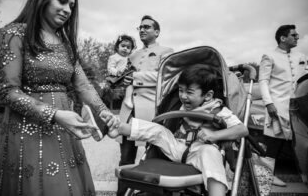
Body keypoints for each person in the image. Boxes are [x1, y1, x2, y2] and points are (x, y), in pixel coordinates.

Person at [0, 0, 118, 195]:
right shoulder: (15, 34)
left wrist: (104, 112)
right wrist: (55, 114)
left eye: (71, 5)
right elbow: (8, 91)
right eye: (61, 1)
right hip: (27, 128)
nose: (67, 10)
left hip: (65, 127)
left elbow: (83, 85)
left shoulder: (66, 44)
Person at [105, 65, 249, 196]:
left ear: (208, 95)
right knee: (159, 130)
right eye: (181, 90)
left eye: (189, 92)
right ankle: (120, 128)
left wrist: (215, 135)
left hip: (198, 152)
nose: (183, 96)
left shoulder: (218, 110)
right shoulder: (179, 106)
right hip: (176, 148)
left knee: (210, 152)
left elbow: (242, 129)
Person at [116, 15, 173, 195]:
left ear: (157, 32)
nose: (142, 30)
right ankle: (122, 193)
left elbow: (167, 78)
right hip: (128, 110)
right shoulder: (131, 55)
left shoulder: (167, 51)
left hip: (151, 109)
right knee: (125, 157)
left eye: (147, 27)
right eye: (140, 27)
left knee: (154, 156)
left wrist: (136, 77)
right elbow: (125, 78)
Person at [259, 24, 307, 187]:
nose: (297, 37)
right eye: (294, 35)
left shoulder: (301, 55)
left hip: (299, 106)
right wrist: (269, 103)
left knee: (300, 140)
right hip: (277, 106)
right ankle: (266, 177)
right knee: (274, 141)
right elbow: (263, 81)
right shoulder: (269, 56)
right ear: (283, 38)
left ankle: (304, 173)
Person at [107, 34, 137, 108]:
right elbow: (110, 68)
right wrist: (116, 72)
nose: (125, 48)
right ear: (118, 47)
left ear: (130, 50)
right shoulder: (114, 57)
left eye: (128, 47)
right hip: (116, 78)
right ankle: (127, 99)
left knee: (133, 80)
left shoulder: (128, 58)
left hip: (125, 76)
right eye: (123, 46)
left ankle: (129, 98)